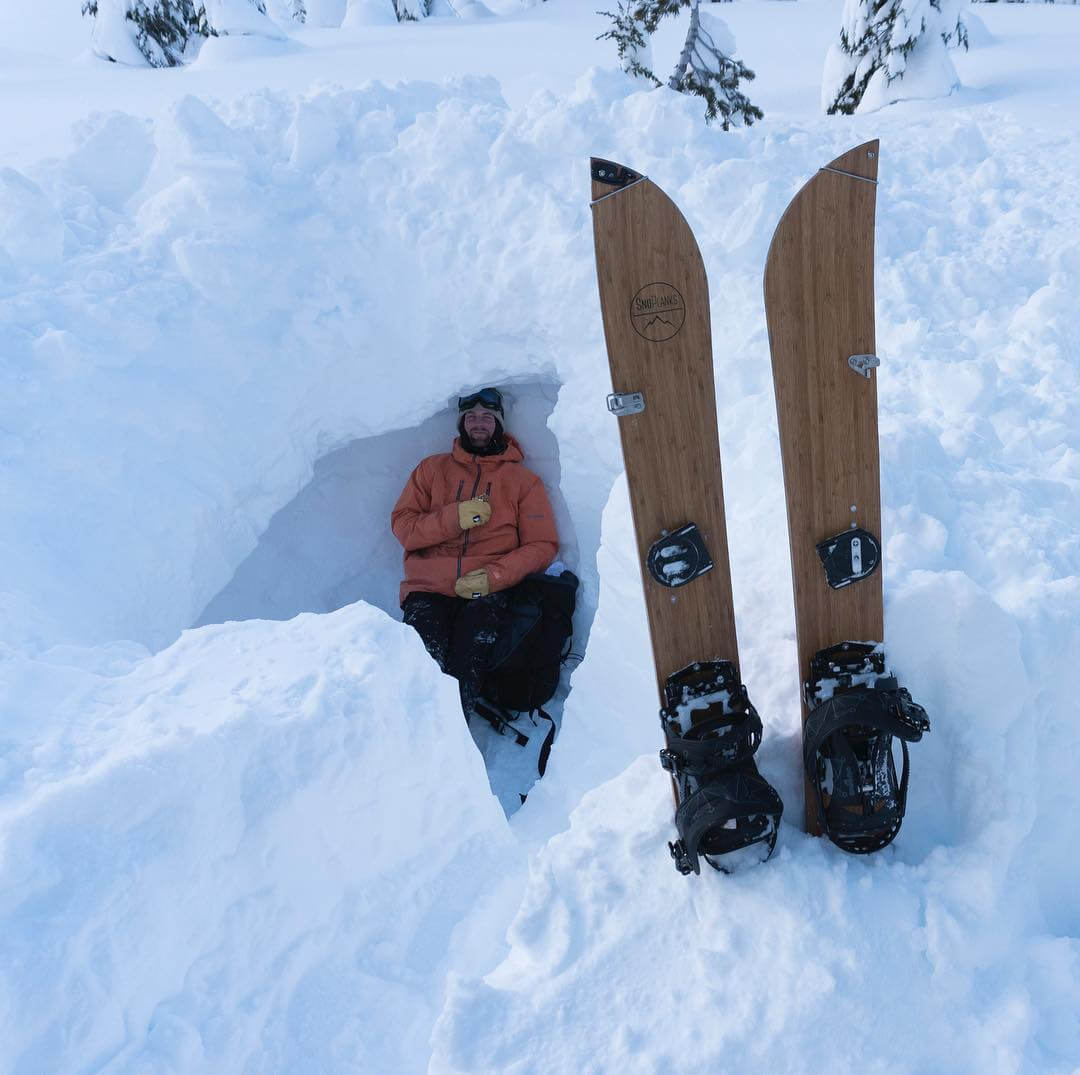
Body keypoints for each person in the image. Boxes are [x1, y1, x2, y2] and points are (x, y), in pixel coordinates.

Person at [391, 387, 560, 716]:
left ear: (499, 424)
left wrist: (494, 577)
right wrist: (453, 518)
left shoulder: (522, 481)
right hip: (428, 587)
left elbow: (542, 546)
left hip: (486, 589)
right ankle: (411, 739)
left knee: (467, 663)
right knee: (421, 664)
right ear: (461, 423)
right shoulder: (431, 470)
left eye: (486, 417)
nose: (478, 423)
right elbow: (404, 528)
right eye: (471, 417)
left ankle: (455, 746)